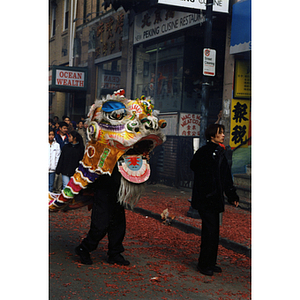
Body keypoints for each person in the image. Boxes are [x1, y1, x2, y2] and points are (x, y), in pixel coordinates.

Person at [190, 123, 239, 276]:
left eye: (223, 132)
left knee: (214, 232)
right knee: (209, 232)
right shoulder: (204, 152)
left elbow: (225, 176)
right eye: (220, 133)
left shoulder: (221, 152)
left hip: (215, 198)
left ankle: (210, 262)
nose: (223, 135)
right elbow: (195, 168)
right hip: (206, 198)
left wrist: (232, 195)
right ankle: (203, 264)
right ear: (212, 136)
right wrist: (207, 190)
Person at [75, 165, 130, 266]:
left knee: (118, 223)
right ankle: (84, 248)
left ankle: (115, 253)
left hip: (118, 186)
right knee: (100, 223)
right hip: (102, 186)